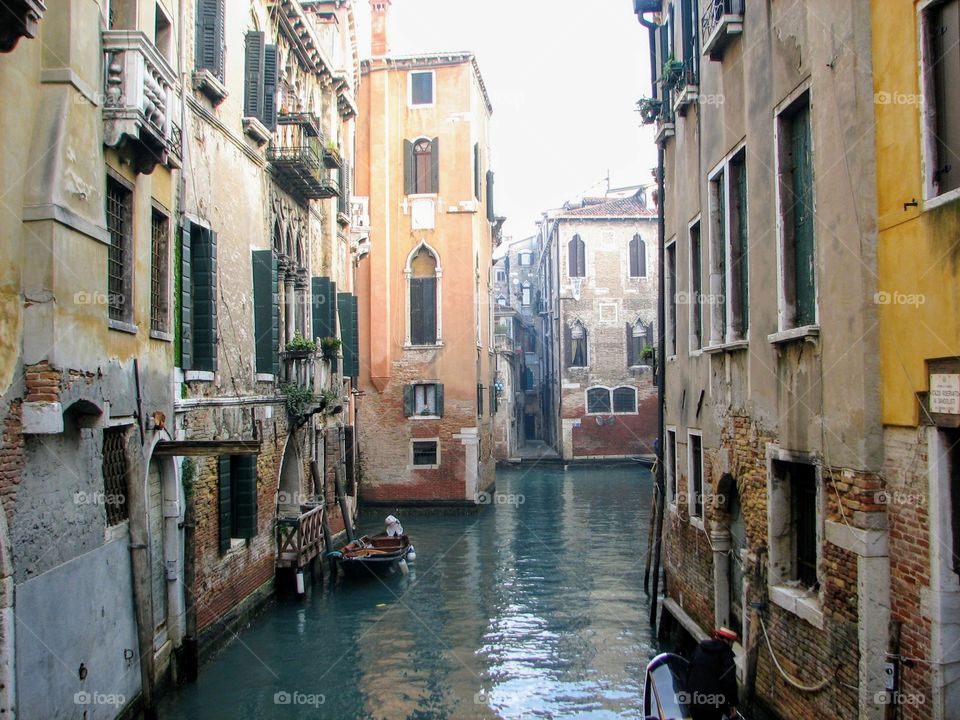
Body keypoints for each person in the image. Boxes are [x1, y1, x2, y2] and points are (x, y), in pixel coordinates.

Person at [686, 627, 739, 720]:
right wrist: (733, 704)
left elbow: (689, 671)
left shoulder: (699, 648)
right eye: (732, 643)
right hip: (713, 705)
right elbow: (730, 684)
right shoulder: (727, 657)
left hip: (694, 699)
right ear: (729, 642)